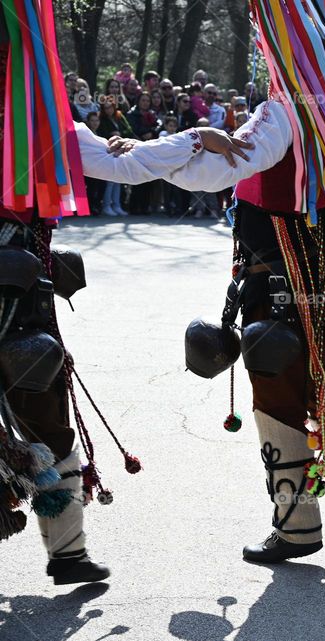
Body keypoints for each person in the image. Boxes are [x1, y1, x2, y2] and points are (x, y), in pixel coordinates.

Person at [0, 4, 251, 583]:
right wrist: (196, 136)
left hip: (19, 290)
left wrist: (196, 136)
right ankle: (67, 554)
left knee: (44, 398)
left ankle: (68, 554)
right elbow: (134, 166)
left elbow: (133, 163)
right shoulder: (47, 124)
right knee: (44, 404)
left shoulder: (48, 125)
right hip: (19, 289)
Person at [158, 0, 325, 563]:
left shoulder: (280, 114)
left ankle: (296, 527)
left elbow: (219, 170)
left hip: (280, 284)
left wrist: (159, 155)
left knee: (276, 397)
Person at [96, 97, 135, 216]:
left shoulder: (119, 117)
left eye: (111, 107)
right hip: (109, 151)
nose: (109, 110)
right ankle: (106, 205)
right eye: (106, 108)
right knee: (110, 181)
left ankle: (117, 205)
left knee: (118, 180)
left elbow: (128, 130)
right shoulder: (101, 119)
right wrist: (111, 135)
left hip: (120, 150)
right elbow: (101, 135)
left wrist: (121, 136)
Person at [127, 93, 160, 215]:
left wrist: (151, 132)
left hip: (150, 149)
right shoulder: (132, 114)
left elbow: (158, 125)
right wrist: (143, 134)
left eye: (147, 100)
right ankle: (133, 207)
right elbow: (131, 129)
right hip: (137, 148)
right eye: (143, 100)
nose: (145, 102)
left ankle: (145, 207)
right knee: (137, 178)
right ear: (138, 101)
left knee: (148, 179)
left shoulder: (152, 114)